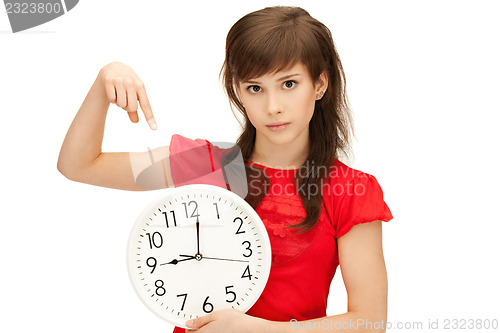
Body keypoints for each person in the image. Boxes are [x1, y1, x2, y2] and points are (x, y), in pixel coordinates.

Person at [57, 5, 393, 333]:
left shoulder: (349, 189)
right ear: (238, 92)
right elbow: (79, 165)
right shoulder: (206, 163)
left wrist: (255, 330)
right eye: (255, 88)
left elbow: (370, 321)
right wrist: (104, 82)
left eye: (289, 84)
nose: (273, 107)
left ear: (320, 84)